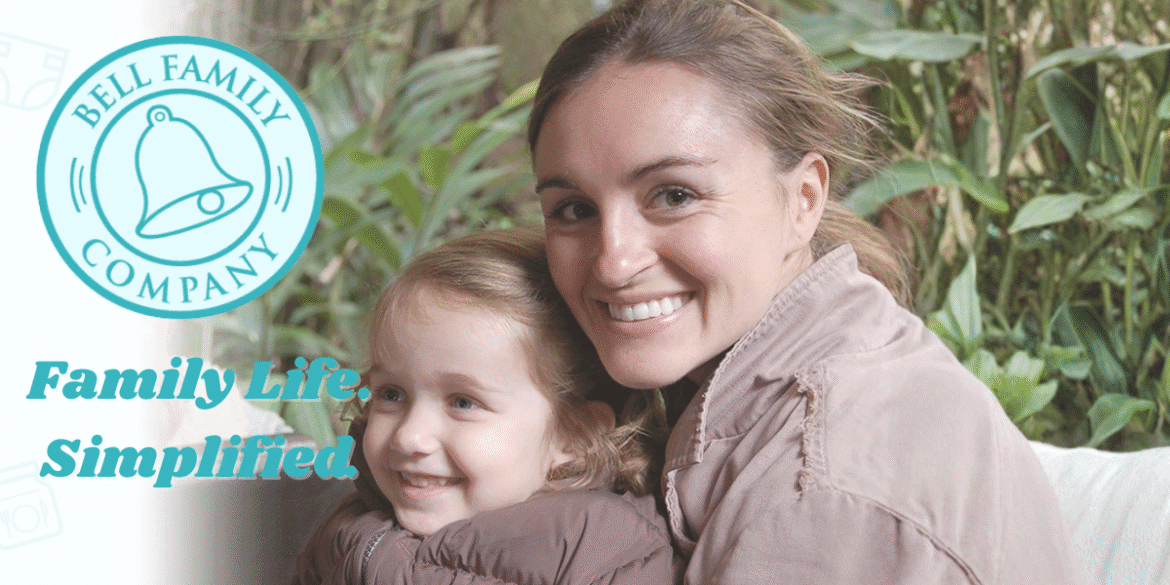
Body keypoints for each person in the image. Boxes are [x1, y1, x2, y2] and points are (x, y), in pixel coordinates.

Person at [528, 1, 1088, 583]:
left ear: (804, 199)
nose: (613, 263)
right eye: (572, 209)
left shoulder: (817, 489)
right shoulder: (831, 366)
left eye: (673, 195)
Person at [292, 228, 675, 585]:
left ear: (574, 435)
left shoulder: (605, 551)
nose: (409, 437)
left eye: (463, 402)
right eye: (391, 394)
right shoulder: (351, 526)